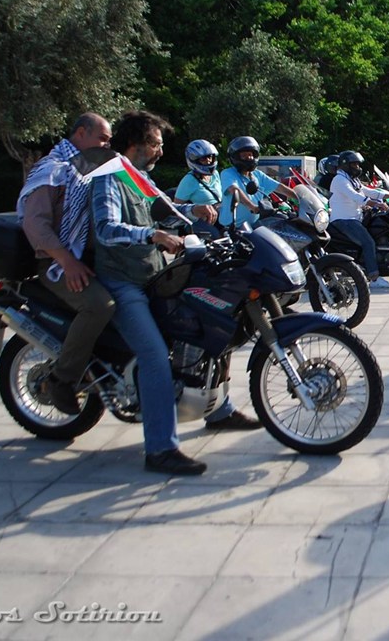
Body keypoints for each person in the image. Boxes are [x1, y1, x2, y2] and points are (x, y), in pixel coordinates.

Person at [91, 111, 258, 477]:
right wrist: (152, 236)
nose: (160, 151)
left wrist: (192, 212)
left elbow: (162, 210)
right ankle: (161, 449)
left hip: (153, 273)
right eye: (156, 143)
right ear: (135, 144)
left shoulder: (139, 177)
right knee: (153, 356)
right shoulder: (109, 178)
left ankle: (217, 409)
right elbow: (106, 229)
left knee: (209, 319)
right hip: (124, 281)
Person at [17, 113, 115, 415]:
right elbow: (36, 226)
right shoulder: (52, 170)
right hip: (56, 263)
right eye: (103, 138)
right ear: (81, 134)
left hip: (88, 258)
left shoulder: (89, 169)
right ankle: (61, 379)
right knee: (100, 305)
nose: (107, 144)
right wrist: (68, 263)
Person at [329, 150, 389, 288]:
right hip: (344, 220)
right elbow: (356, 196)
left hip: (355, 218)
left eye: (358, 164)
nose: (358, 167)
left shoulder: (351, 179)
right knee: (368, 242)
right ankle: (374, 278)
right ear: (346, 165)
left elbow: (367, 191)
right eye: (355, 164)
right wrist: (376, 203)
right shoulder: (339, 180)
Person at [218, 136, 283, 228]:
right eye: (244, 155)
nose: (249, 158)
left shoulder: (257, 174)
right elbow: (234, 190)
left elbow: (279, 187)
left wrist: (299, 198)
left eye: (250, 154)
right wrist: (252, 207)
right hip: (234, 229)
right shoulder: (228, 173)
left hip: (255, 226)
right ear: (236, 157)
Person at [174, 139, 223, 206]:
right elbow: (177, 206)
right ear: (195, 160)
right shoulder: (189, 180)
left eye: (210, 157)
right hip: (204, 215)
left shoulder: (215, 174)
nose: (208, 160)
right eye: (203, 159)